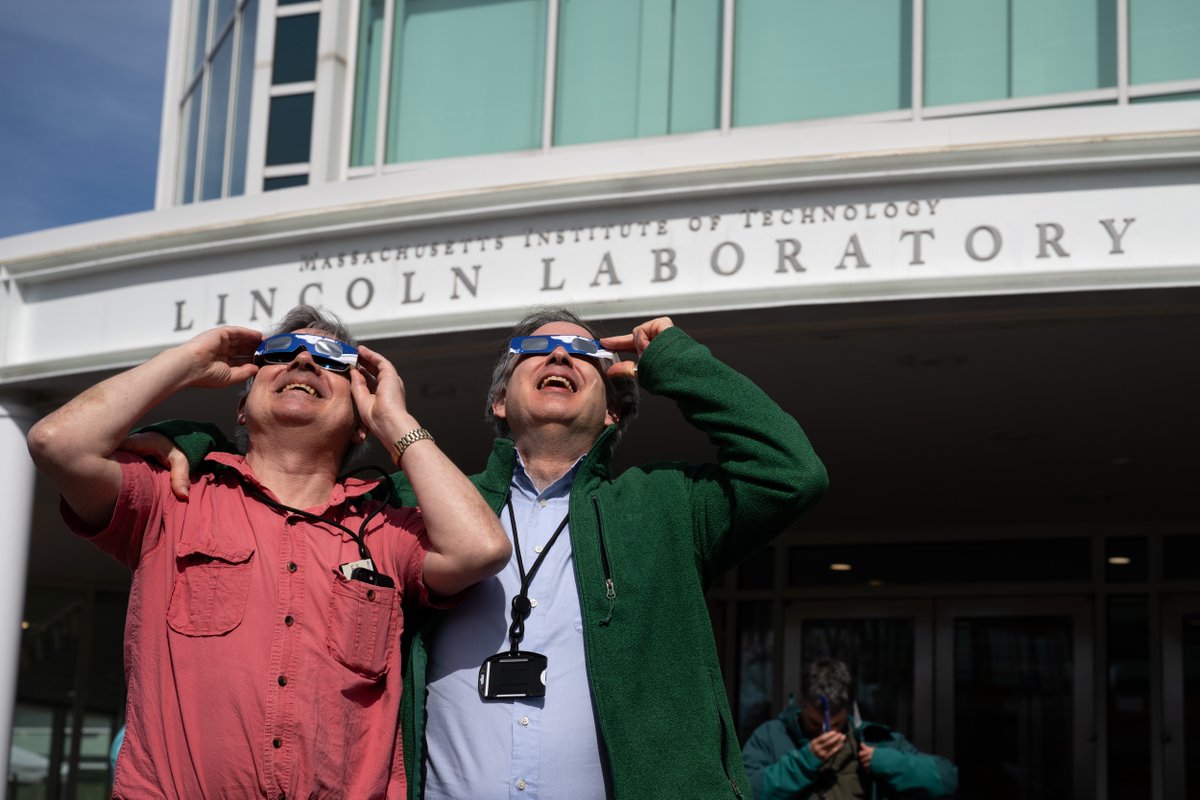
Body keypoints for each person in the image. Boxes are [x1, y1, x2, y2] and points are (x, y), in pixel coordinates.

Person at [130, 307, 829, 799]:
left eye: (582, 354)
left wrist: (677, 361)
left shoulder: (672, 507)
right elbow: (295, 469)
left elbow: (790, 473)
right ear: (498, 404)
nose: (559, 356)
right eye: (536, 350)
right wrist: (189, 441)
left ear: (614, 410)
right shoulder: (415, 501)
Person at [27, 305, 510, 799]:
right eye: (279, 352)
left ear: (361, 423)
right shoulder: (174, 497)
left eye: (332, 358)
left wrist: (397, 421)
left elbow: (482, 548)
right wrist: (187, 361)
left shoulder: (386, 529)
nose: (303, 362)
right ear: (242, 407)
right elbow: (56, 441)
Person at [741, 659, 958, 800]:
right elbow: (744, 791)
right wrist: (804, 761)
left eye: (836, 724)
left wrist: (886, 761)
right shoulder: (771, 736)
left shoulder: (874, 740)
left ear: (849, 710)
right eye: (815, 724)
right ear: (802, 704)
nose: (825, 733)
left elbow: (946, 780)